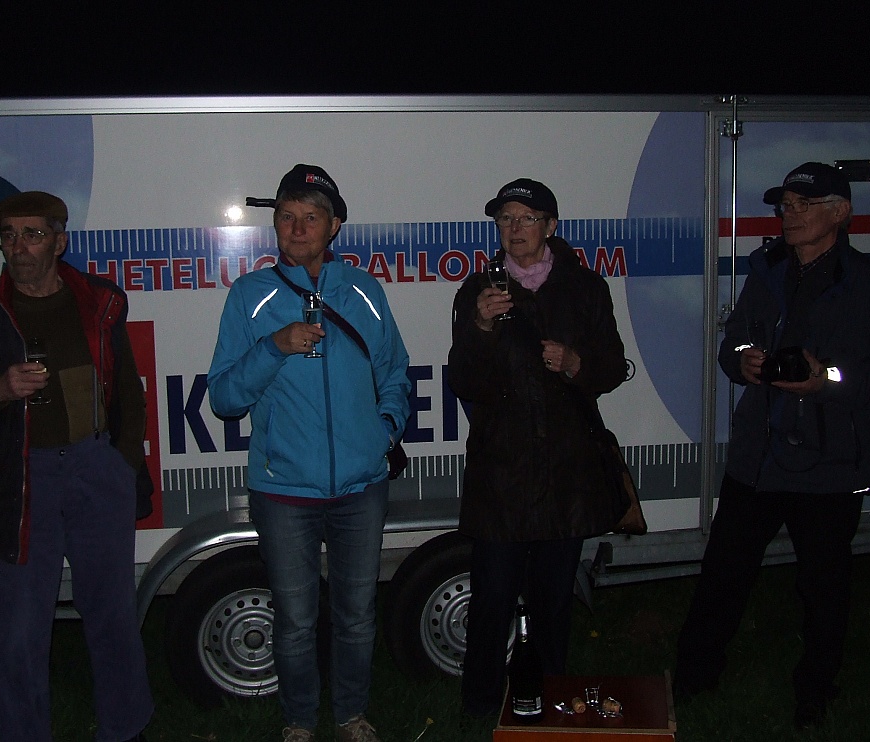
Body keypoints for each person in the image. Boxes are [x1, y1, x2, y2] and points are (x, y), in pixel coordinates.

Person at [0, 191, 154, 742]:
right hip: (19, 480)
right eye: (8, 235)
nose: (19, 246)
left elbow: (127, 391)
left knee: (112, 616)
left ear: (59, 241)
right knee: (20, 629)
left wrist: (121, 465)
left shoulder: (98, 301)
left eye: (32, 234)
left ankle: (125, 729)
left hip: (94, 469)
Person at [207, 164, 410, 742]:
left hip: (361, 487)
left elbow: (395, 373)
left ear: (334, 225)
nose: (297, 228)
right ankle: (298, 722)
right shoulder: (250, 296)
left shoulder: (364, 291)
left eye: (311, 217)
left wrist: (383, 432)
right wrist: (274, 346)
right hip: (283, 491)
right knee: (295, 621)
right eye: (287, 217)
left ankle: (351, 715)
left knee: (357, 615)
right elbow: (223, 398)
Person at [674, 162, 870, 728]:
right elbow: (733, 343)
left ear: (840, 213)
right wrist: (743, 360)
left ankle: (815, 692)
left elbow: (867, 377)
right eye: (785, 205)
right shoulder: (765, 269)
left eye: (802, 205)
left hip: (830, 464)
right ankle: (691, 682)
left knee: (824, 589)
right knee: (723, 575)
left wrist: (823, 379)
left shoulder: (867, 283)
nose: (789, 215)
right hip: (758, 459)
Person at [448, 178, 627, 717]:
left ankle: (551, 703)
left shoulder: (586, 288)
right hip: (502, 475)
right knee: (492, 600)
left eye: (527, 218)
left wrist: (575, 363)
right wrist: (480, 326)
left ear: (550, 226)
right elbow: (463, 380)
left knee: (553, 603)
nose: (515, 228)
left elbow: (612, 367)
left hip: (566, 474)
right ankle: (480, 708)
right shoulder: (477, 291)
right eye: (505, 219)